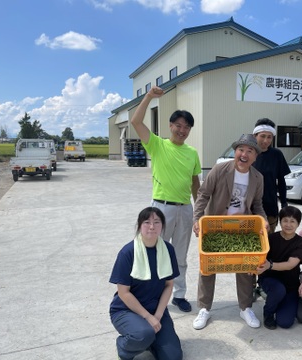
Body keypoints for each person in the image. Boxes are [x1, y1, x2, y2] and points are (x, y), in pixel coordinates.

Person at [131, 86, 201, 313]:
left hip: (185, 210)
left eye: (186, 127)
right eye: (178, 125)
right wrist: (149, 96)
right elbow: (136, 122)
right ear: (170, 126)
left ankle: (179, 295)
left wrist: (198, 213)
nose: (182, 130)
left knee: (180, 256)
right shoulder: (158, 145)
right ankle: (150, 295)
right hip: (160, 209)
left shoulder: (192, 152)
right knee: (154, 251)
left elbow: (195, 183)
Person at [191, 134, 269, 330]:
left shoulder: (258, 178)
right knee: (208, 267)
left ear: (255, 156)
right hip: (215, 225)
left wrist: (264, 220)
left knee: (245, 267)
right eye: (241, 150)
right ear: (235, 152)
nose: (244, 154)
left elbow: (257, 204)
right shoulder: (219, 170)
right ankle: (204, 308)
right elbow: (203, 194)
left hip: (242, 228)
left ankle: (245, 307)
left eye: (249, 151)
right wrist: (197, 219)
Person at [109, 207, 182, 360]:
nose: (151, 226)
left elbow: (169, 285)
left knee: (173, 357)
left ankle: (149, 341)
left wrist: (158, 315)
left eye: (157, 222)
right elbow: (123, 292)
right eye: (147, 222)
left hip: (156, 309)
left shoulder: (167, 250)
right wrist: (149, 318)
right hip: (126, 310)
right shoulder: (127, 252)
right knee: (143, 334)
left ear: (162, 226)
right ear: (139, 225)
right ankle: (124, 346)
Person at [256, 206, 302, 330]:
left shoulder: (301, 243)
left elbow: (291, 264)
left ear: (298, 224)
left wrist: (271, 265)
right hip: (270, 279)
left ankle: (277, 302)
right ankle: (268, 313)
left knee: (285, 322)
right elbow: (258, 256)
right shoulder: (271, 238)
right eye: (285, 220)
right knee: (278, 290)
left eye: (292, 221)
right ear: (280, 221)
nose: (288, 225)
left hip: (290, 284)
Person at [252, 118, 291, 233]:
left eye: (269, 137)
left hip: (270, 204)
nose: (266, 140)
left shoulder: (276, 154)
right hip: (249, 205)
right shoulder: (249, 152)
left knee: (268, 240)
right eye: (262, 136)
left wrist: (284, 203)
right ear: (255, 136)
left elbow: (281, 180)